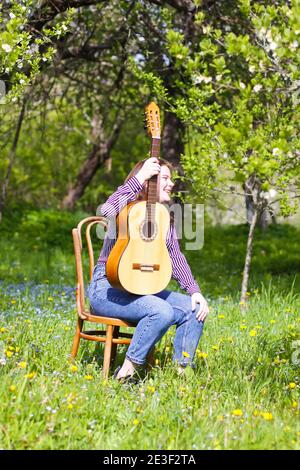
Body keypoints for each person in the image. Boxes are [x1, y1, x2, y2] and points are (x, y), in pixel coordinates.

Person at [88, 157, 209, 381]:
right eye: (164, 178)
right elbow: (105, 211)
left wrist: (194, 291)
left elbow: (174, 255)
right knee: (161, 310)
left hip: (144, 290)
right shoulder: (125, 208)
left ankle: (183, 373)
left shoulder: (164, 216)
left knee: (194, 309)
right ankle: (126, 373)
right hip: (108, 288)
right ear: (149, 182)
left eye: (170, 179)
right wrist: (139, 178)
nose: (171, 183)